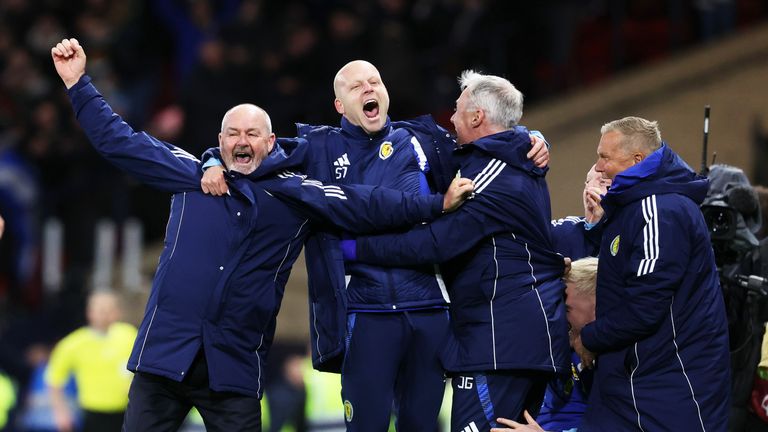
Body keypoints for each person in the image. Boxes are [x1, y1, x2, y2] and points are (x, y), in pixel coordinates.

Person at [51, 38, 473, 432]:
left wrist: (434, 204)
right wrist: (77, 83)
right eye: (232, 134)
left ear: (271, 142)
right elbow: (119, 141)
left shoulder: (294, 194)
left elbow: (365, 202)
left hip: (232, 369)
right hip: (164, 361)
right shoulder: (188, 175)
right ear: (218, 141)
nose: (242, 141)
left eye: (253, 134)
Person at [200, 60, 550, 431]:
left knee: (420, 425)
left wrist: (531, 138)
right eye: (355, 87)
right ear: (339, 106)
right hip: (364, 312)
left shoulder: (422, 139)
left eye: (375, 81)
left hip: (429, 309)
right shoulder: (318, 147)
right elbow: (251, 152)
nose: (368, 89)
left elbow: (490, 136)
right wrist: (210, 160)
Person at [344, 70, 570, 432]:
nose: (451, 118)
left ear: (477, 117)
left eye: (458, 109)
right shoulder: (509, 158)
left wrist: (356, 248)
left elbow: (435, 242)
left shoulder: (491, 175)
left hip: (499, 341)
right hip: (520, 338)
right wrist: (530, 135)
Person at [570, 116, 730, 431]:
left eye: (605, 157)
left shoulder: (658, 210)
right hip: (641, 384)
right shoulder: (635, 207)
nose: (599, 167)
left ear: (637, 160)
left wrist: (589, 338)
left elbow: (644, 308)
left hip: (670, 388)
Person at [44, 290, 137, 432]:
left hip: (128, 412)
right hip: (93, 413)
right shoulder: (74, 343)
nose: (105, 314)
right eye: (100, 309)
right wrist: (61, 413)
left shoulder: (130, 335)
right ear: (90, 312)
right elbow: (54, 378)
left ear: (118, 312)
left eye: (110, 309)